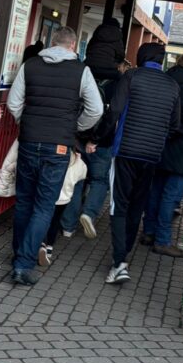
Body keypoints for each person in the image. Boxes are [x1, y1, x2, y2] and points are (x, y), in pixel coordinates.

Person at [5, 26, 102, 286]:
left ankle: (18, 255)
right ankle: (23, 265)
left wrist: (25, 123)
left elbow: (13, 103)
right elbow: (96, 109)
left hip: (28, 141)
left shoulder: (30, 65)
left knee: (24, 202)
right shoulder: (82, 71)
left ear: (52, 42)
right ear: (72, 46)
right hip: (58, 146)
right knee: (44, 206)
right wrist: (75, 127)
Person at [104, 42, 180, 285]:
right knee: (137, 205)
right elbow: (175, 124)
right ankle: (123, 255)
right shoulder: (172, 84)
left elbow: (115, 110)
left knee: (119, 205)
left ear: (140, 57)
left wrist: (99, 137)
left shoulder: (131, 76)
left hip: (125, 150)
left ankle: (119, 262)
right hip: (152, 155)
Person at [143, 53, 183, 258]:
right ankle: (162, 241)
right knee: (170, 196)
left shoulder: (168, 81)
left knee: (156, 191)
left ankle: (148, 232)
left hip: (162, 145)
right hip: (181, 150)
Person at [59, 59, 126, 241]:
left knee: (76, 180)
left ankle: (67, 226)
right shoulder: (119, 82)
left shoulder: (82, 73)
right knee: (99, 180)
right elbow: (113, 115)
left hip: (77, 137)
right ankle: (88, 213)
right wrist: (96, 139)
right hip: (102, 142)